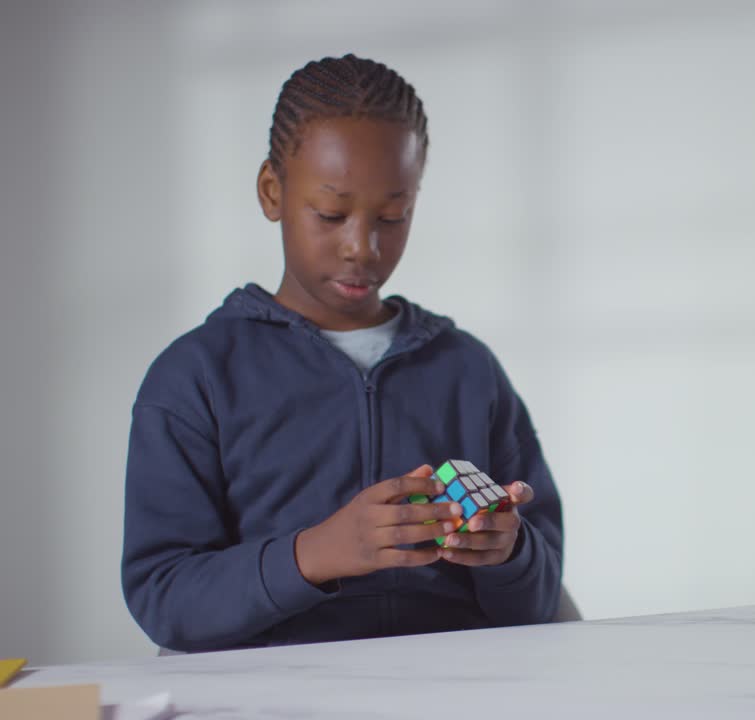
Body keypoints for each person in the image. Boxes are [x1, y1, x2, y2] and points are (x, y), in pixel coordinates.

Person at [121, 54, 563, 652]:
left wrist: (508, 552)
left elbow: (539, 599)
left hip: (456, 691)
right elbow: (165, 597)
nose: (363, 246)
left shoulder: (467, 370)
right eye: (331, 214)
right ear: (272, 190)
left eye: (393, 216)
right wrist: (316, 554)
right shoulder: (195, 378)